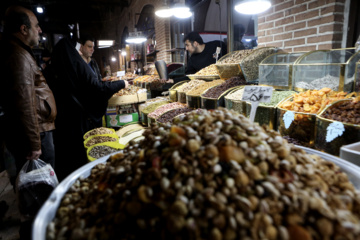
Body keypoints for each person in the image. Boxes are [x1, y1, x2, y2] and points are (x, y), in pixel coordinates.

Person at [0, 5, 57, 239]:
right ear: (23, 29)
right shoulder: (18, 55)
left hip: (36, 132)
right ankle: (40, 231)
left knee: (36, 191)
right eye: (35, 25)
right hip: (37, 135)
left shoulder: (17, 51)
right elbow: (24, 103)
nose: (39, 29)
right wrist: (34, 143)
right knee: (38, 193)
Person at [45, 37, 129, 181]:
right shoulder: (78, 66)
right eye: (77, 50)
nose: (79, 53)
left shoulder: (52, 71)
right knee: (79, 159)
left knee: (67, 162)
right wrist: (122, 83)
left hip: (62, 126)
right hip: (78, 123)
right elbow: (97, 89)